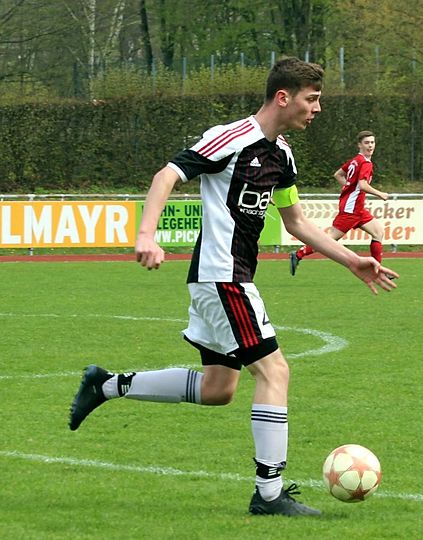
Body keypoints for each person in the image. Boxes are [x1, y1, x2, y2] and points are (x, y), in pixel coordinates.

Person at [68, 58, 398, 516]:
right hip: (223, 276)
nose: (317, 109)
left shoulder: (282, 156)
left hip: (224, 278)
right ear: (283, 97)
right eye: (312, 99)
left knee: (218, 388)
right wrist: (147, 234)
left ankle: (105, 385)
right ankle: (269, 494)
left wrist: (350, 261)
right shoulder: (231, 138)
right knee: (275, 372)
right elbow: (167, 175)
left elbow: (296, 222)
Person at [290, 131, 389, 275]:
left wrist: (349, 187)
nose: (370, 146)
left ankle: (377, 270)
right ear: (359, 145)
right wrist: (380, 193)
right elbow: (362, 185)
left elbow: (338, 175)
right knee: (328, 241)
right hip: (351, 209)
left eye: (372, 142)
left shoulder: (355, 160)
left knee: (378, 232)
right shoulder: (365, 163)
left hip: (358, 209)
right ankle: (299, 254)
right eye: (366, 143)